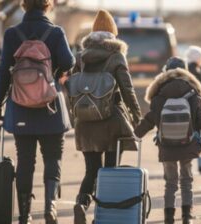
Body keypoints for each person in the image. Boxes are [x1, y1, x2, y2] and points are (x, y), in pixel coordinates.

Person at [0, 0, 75, 223]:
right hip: (50, 108)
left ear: (24, 6)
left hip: (20, 108)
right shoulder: (56, 33)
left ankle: (25, 215)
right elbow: (68, 61)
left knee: (25, 160)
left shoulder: (12, 34)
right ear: (47, 6)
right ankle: (50, 207)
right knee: (53, 157)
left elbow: (2, 74)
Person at [69, 10, 142, 224]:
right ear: (113, 33)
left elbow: (72, 89)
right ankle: (101, 216)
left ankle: (81, 203)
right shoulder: (116, 56)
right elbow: (127, 91)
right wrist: (137, 118)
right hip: (111, 123)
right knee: (109, 172)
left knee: (91, 170)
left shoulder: (80, 58)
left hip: (85, 123)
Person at [135, 57, 201, 224]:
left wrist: (135, 134)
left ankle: (168, 218)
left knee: (170, 183)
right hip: (188, 142)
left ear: (166, 72)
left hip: (166, 145)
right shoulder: (193, 92)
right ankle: (187, 217)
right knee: (186, 180)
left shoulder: (158, 95)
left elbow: (150, 119)